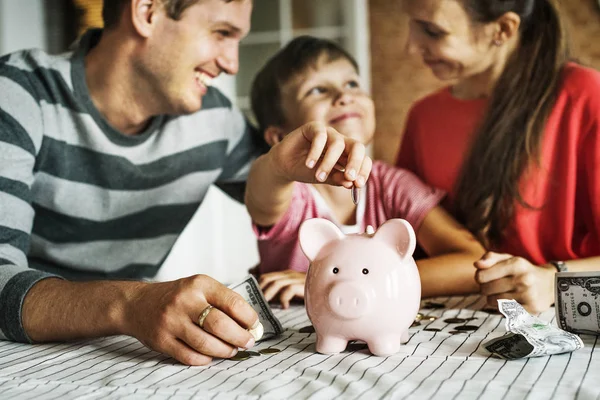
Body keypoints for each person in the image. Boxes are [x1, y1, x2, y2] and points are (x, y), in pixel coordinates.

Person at [0, 0, 372, 366]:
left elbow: (270, 206)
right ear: (147, 12)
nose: (231, 63)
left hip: (114, 355)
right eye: (221, 33)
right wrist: (130, 304)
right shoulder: (17, 93)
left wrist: (277, 168)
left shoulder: (215, 120)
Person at [244, 36, 486, 309]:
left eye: (351, 84)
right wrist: (277, 166)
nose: (344, 96)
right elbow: (261, 195)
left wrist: (349, 282)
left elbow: (472, 261)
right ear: (279, 137)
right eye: (317, 90)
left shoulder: (393, 185)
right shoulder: (290, 193)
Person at [396, 0, 600, 313]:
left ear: (503, 29)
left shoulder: (587, 96)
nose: (411, 48)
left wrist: (554, 279)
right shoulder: (423, 117)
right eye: (412, 24)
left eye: (433, 31)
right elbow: (407, 241)